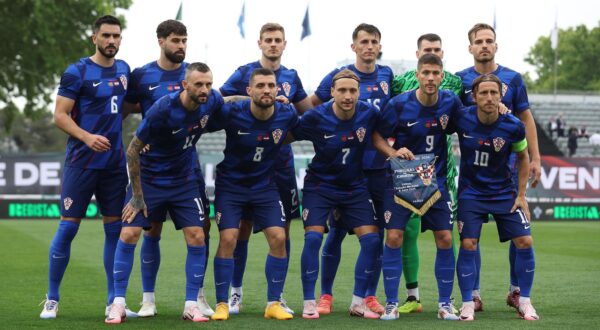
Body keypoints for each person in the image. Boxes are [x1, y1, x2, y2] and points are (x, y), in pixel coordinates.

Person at [104, 62, 222, 324]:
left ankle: (191, 305)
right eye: (199, 84)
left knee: (197, 236)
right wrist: (137, 196)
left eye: (208, 84)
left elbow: (232, 103)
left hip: (184, 181)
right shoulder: (163, 109)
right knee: (129, 232)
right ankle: (118, 304)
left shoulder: (212, 100)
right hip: (152, 179)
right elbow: (133, 149)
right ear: (184, 85)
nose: (205, 89)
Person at [40, 15, 132, 320]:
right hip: (82, 162)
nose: (112, 41)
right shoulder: (77, 71)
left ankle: (113, 301)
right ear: (94, 38)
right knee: (68, 228)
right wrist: (87, 137)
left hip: (115, 165)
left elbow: (126, 107)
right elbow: (60, 115)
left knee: (114, 231)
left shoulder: (124, 70)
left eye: (116, 36)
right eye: (106, 35)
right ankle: (52, 298)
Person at [218, 23, 312, 315]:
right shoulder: (244, 72)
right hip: (243, 165)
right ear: (260, 43)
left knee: (281, 230)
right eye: (268, 40)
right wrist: (258, 101)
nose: (273, 45)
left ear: (285, 45)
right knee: (240, 230)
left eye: (278, 41)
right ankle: (235, 293)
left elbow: (307, 114)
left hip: (279, 165)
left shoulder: (292, 76)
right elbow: (219, 100)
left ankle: (277, 295)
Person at [123, 19, 214, 318]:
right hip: (152, 168)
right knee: (152, 231)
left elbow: (222, 103)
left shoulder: (196, 76)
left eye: (184, 40)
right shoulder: (142, 75)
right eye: (176, 40)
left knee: (201, 229)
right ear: (161, 41)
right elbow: (126, 108)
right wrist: (138, 140)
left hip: (187, 167)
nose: (181, 46)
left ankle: (197, 296)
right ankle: (148, 300)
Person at [309, 23, 393, 315]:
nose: (369, 46)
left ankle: (368, 296)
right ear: (354, 46)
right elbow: (313, 106)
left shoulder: (387, 75)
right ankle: (326, 296)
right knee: (337, 231)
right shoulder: (339, 76)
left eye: (374, 42)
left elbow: (387, 119)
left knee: (375, 235)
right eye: (364, 41)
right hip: (347, 171)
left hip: (379, 170)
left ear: (379, 46)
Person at [456, 23, 541, 311]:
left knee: (521, 237)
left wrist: (536, 158)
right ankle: (473, 295)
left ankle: (517, 291)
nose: (484, 45)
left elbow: (526, 119)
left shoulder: (513, 79)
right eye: (478, 41)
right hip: (472, 179)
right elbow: (449, 117)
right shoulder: (459, 81)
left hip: (505, 173)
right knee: (470, 238)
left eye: (489, 41)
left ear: (496, 45)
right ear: (470, 47)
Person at [373, 54, 461, 321]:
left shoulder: (450, 102)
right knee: (394, 238)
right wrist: (393, 151)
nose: (431, 78)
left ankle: (445, 304)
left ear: (442, 76)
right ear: (418, 75)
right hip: (402, 181)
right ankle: (391, 303)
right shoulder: (399, 104)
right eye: (426, 73)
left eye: (436, 73)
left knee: (445, 238)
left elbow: (469, 125)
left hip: (436, 182)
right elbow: (377, 136)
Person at [289, 69, 381, 320]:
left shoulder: (369, 113)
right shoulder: (315, 117)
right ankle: (310, 301)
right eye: (342, 90)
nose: (348, 95)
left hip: (355, 187)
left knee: (372, 241)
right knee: (313, 240)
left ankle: (358, 302)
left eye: (352, 90)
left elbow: (385, 131)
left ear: (359, 92)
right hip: (321, 186)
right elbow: (286, 134)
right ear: (332, 92)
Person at [209, 68, 298, 321]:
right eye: (260, 86)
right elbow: (201, 120)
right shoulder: (232, 112)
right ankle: (222, 303)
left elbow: (303, 130)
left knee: (279, 238)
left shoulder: (286, 113)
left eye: (271, 85)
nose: (267, 90)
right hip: (232, 185)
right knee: (229, 238)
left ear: (278, 89)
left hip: (265, 186)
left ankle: (273, 303)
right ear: (249, 91)